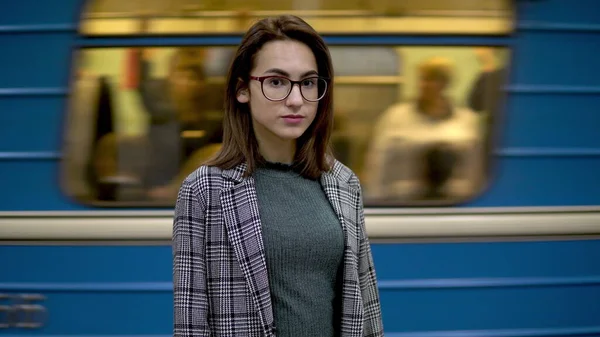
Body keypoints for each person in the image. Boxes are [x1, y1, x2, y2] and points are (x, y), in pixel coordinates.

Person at [172, 15, 384, 337]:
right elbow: (191, 323)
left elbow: (365, 305)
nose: (296, 100)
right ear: (243, 90)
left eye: (308, 82)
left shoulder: (343, 183)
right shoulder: (205, 190)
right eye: (276, 82)